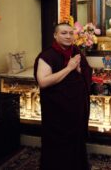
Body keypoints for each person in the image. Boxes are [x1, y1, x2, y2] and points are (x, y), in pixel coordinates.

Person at [34, 23, 92, 170]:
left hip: (75, 109)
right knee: (58, 145)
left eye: (71, 33)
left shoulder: (76, 51)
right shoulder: (47, 56)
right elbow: (43, 82)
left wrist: (79, 70)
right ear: (55, 35)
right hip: (56, 111)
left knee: (76, 143)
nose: (68, 36)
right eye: (64, 33)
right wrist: (69, 68)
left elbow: (86, 72)